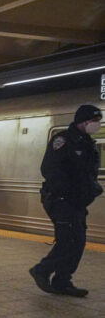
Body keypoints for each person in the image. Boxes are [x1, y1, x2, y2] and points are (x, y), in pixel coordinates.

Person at [30, 104, 103, 297]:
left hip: (77, 202)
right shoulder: (62, 140)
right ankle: (42, 270)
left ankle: (63, 280)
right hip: (61, 200)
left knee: (78, 241)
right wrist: (68, 192)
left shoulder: (88, 143)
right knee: (67, 240)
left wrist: (91, 189)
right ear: (83, 121)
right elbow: (49, 170)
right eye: (95, 121)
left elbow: (88, 173)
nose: (97, 125)